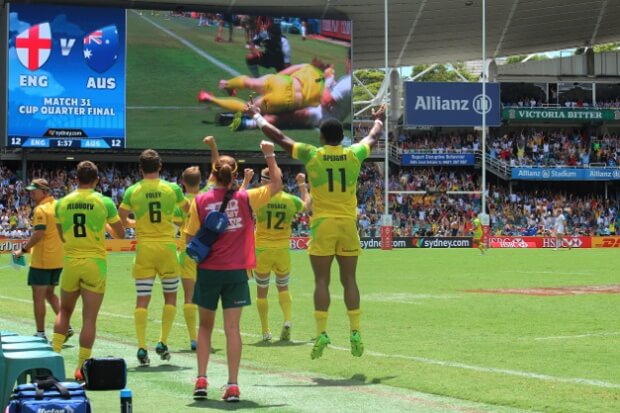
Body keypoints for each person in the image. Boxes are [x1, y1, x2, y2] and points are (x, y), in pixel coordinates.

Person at [247, 102, 385, 360]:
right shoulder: (354, 153)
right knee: (349, 281)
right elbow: (373, 136)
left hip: (322, 226)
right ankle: (355, 331)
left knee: (322, 281)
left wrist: (256, 115)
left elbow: (278, 136)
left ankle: (322, 333)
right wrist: (379, 119)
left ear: (322, 137)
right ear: (341, 137)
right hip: (347, 224)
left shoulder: (312, 154)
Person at [186, 140, 282, 402]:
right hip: (237, 272)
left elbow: (189, 239)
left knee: (205, 328)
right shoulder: (246, 198)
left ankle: (201, 380)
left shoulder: (200, 201)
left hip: (207, 271)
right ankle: (232, 385)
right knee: (233, 330)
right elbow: (276, 185)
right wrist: (269, 155)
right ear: (236, 175)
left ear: (213, 174)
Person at [51, 161, 125, 379]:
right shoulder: (104, 202)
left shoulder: (61, 203)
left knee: (64, 312)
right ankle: (81, 369)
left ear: (76, 179)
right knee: (89, 319)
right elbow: (120, 235)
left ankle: (53, 359)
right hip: (95, 263)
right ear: (97, 180)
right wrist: (105, 226)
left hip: (72, 261)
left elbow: (62, 235)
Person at [119, 149, 189, 366]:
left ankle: (141, 347)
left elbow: (122, 217)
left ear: (140, 169)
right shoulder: (173, 189)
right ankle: (163, 342)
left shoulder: (133, 190)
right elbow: (189, 211)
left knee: (142, 300)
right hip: (167, 248)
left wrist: (133, 224)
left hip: (145, 249)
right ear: (160, 167)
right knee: (170, 298)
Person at [253, 169, 310, 342]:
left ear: (264, 181)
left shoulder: (258, 197)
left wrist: (245, 180)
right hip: (282, 250)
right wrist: (302, 185)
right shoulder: (289, 200)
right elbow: (307, 206)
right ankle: (287, 320)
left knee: (262, 292)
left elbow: (239, 198)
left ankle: (265, 331)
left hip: (262, 249)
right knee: (283, 288)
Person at [13, 178, 71, 341]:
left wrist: (22, 250)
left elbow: (38, 234)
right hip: (58, 259)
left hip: (42, 260)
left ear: (44, 191)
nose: (31, 193)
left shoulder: (41, 210)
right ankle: (65, 326)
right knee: (50, 294)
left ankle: (40, 334)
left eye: (35, 190)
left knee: (38, 297)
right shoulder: (58, 206)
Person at [198, 62, 327, 116]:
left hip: (283, 81)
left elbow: (285, 72)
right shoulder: (322, 92)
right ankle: (209, 98)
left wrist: (274, 81)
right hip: (287, 100)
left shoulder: (309, 67)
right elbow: (306, 112)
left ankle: (227, 84)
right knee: (248, 108)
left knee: (251, 82)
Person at [177, 166, 202, 350]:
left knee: (189, 297)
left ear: (183, 182)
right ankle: (204, 334)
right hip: (207, 252)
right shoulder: (205, 200)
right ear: (199, 181)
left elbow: (174, 222)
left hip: (186, 251)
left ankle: (193, 338)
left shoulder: (180, 204)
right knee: (207, 296)